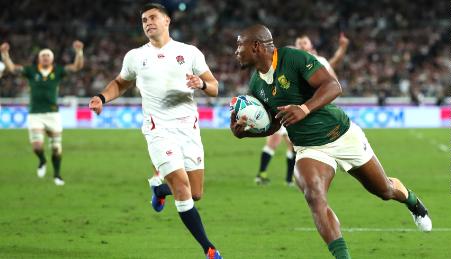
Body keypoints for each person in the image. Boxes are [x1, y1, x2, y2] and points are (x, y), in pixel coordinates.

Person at [231, 24, 431, 259]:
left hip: (342, 134)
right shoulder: (256, 84)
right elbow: (274, 124)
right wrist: (245, 133)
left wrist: (304, 108)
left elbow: (333, 86)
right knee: (314, 196)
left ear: (256, 46)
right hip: (309, 148)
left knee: (384, 190)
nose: (236, 51)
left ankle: (413, 202)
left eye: (239, 45)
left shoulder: (293, 58)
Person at [88, 3, 222, 258]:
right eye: (143, 20)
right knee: (182, 188)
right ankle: (209, 248)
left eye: (152, 18)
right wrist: (102, 98)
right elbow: (120, 83)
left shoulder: (189, 52)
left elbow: (215, 87)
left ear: (167, 21)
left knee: (195, 193)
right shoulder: (136, 56)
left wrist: (202, 83)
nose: (147, 22)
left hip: (189, 129)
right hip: (158, 130)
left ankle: (160, 189)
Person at [255, 33, 349, 186]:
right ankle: (263, 174)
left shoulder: (319, 62)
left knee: (294, 145)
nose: (302, 45)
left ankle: (289, 178)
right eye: (299, 44)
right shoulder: (291, 61)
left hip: (305, 111)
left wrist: (343, 47)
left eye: (305, 42)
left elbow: (333, 79)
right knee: (274, 141)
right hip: (284, 107)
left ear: (311, 45)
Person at [0, 40, 84, 186]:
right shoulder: (31, 71)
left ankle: (57, 175)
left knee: (56, 148)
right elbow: (12, 68)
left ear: (52, 59)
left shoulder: (58, 71)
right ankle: (42, 160)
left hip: (53, 114)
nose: (45, 57)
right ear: (39, 58)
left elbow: (77, 67)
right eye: (43, 55)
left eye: (48, 55)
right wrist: (5, 54)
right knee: (37, 146)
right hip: (35, 114)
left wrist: (79, 52)